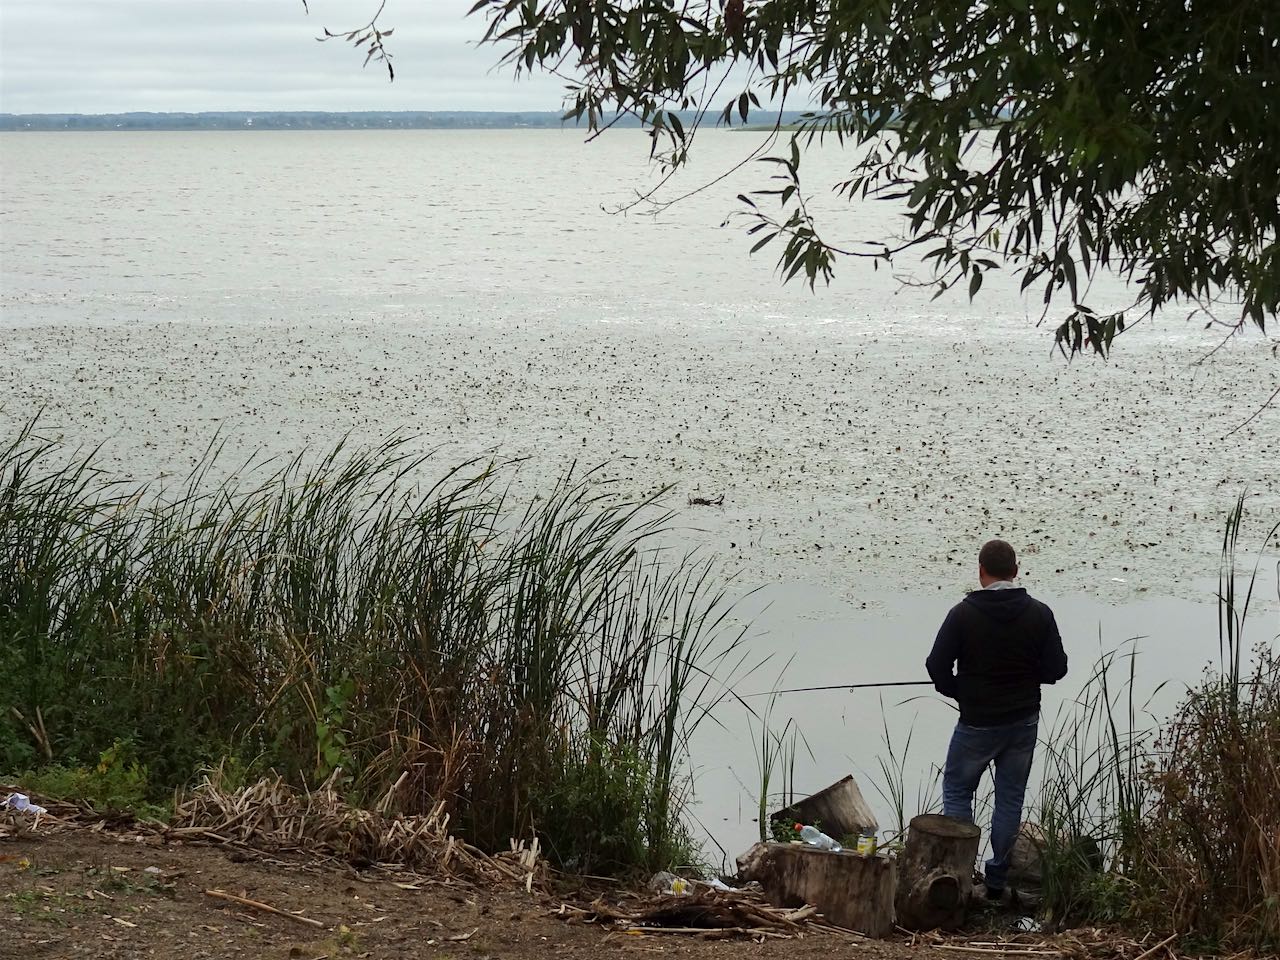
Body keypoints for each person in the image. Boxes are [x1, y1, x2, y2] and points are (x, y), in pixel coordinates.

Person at [925, 539, 1068, 901]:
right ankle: (996, 882)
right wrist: (1031, 674)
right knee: (1009, 799)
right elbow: (1057, 668)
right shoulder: (1040, 614)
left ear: (981, 572)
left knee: (958, 790)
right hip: (1022, 722)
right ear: (1016, 570)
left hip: (976, 721)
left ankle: (956, 875)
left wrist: (959, 691)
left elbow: (935, 666)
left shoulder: (963, 613)